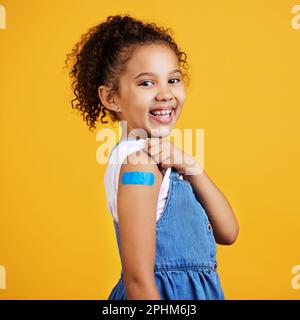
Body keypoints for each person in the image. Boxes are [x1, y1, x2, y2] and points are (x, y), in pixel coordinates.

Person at [65, 14, 239, 300]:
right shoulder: (138, 165)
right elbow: (137, 282)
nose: (165, 94)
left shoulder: (167, 161)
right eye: (147, 83)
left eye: (173, 79)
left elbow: (229, 232)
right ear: (112, 98)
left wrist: (191, 165)